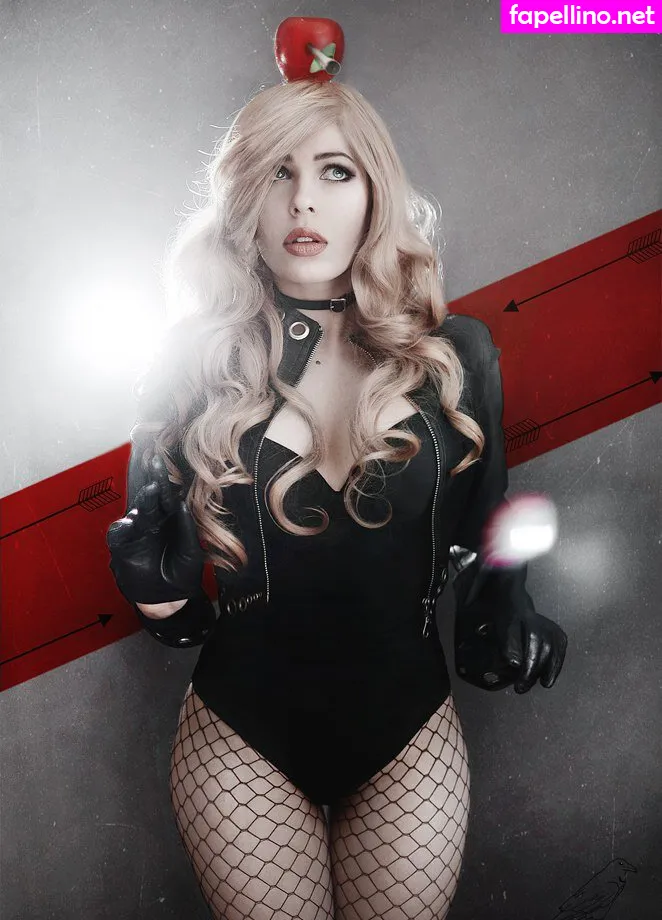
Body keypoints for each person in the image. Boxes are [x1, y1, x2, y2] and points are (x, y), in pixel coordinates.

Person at [106, 78, 566, 920]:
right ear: (244, 197)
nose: (303, 201)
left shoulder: (456, 355)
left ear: (374, 191)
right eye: (277, 173)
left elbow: (489, 525)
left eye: (334, 171)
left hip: (410, 736)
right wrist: (153, 590)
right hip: (241, 741)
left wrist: (507, 604)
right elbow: (179, 617)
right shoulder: (193, 361)